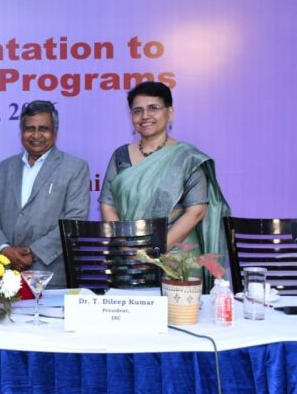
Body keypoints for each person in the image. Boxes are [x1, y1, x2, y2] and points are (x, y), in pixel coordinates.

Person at [99, 81, 230, 287]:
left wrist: (154, 251)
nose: (145, 116)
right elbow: (107, 204)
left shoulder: (187, 157)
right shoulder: (120, 156)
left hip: (177, 258)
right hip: (129, 256)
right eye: (137, 111)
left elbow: (196, 211)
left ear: (170, 113)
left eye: (153, 108)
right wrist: (124, 244)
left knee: (178, 308)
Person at [0, 101, 90, 288]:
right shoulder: (5, 167)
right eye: (29, 129)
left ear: (55, 132)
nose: (35, 135)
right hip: (5, 273)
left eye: (43, 129)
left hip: (51, 273)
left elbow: (74, 220)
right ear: (21, 131)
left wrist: (33, 252)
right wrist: (4, 249)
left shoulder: (75, 167)